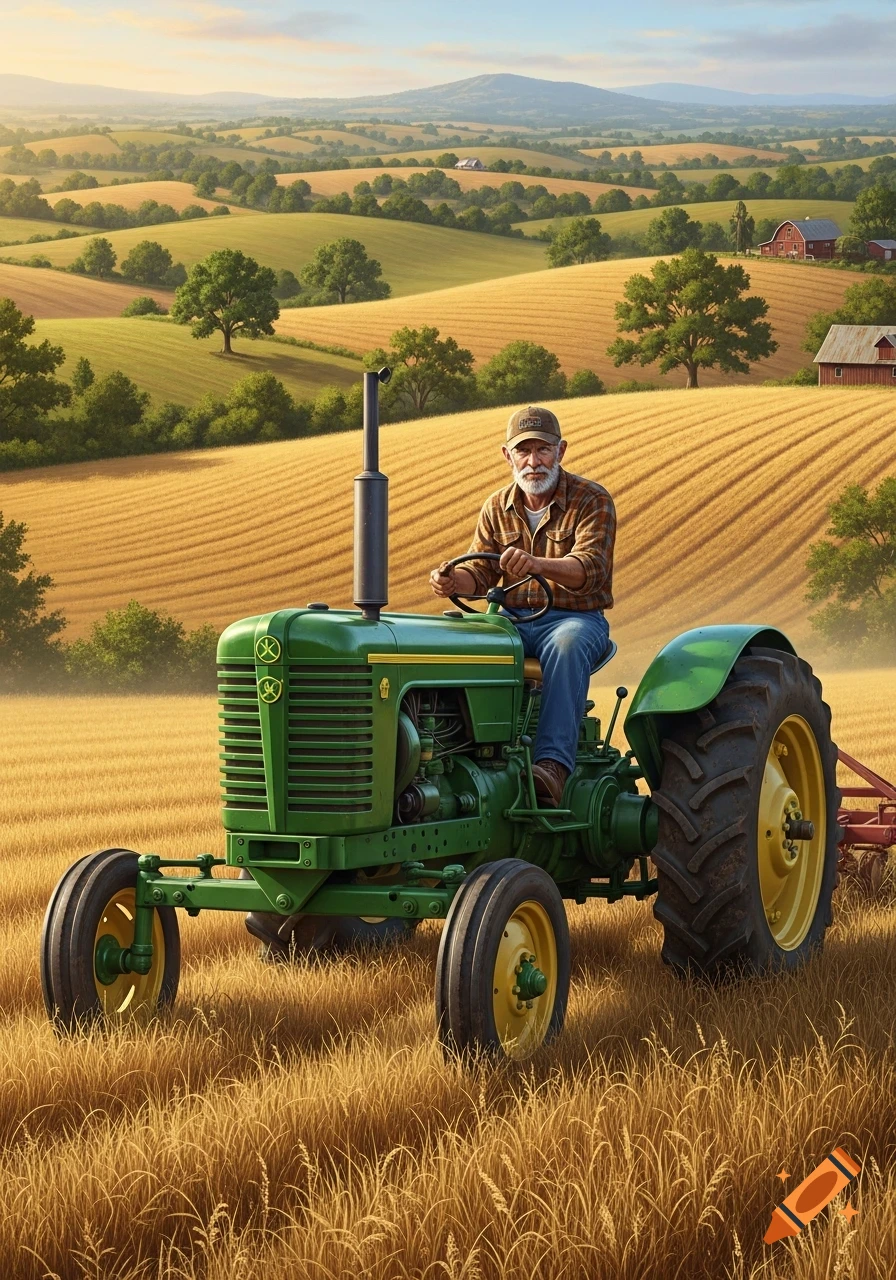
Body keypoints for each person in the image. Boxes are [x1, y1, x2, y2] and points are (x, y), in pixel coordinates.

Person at [430, 405, 616, 807]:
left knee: (567, 644)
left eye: (543, 450)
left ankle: (553, 766)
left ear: (560, 451)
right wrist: (452, 581)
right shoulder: (496, 506)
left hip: (574, 618)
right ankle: (454, 754)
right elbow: (479, 574)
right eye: (523, 451)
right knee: (459, 643)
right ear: (507, 455)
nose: (533, 461)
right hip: (512, 619)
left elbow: (590, 569)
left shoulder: (591, 499)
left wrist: (537, 564)